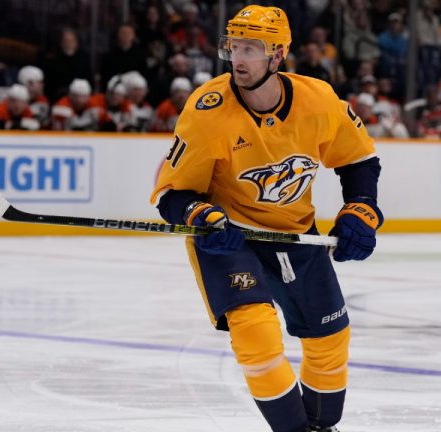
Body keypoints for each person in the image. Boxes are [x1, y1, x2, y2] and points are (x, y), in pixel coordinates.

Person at [149, 6, 382, 432]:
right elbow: (171, 192)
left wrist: (362, 208)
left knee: (330, 340)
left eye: (251, 48)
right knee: (256, 332)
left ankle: (321, 425)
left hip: (295, 233)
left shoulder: (318, 100)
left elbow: (360, 159)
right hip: (230, 238)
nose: (238, 57)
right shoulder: (208, 108)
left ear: (277, 55)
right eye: (234, 46)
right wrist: (200, 215)